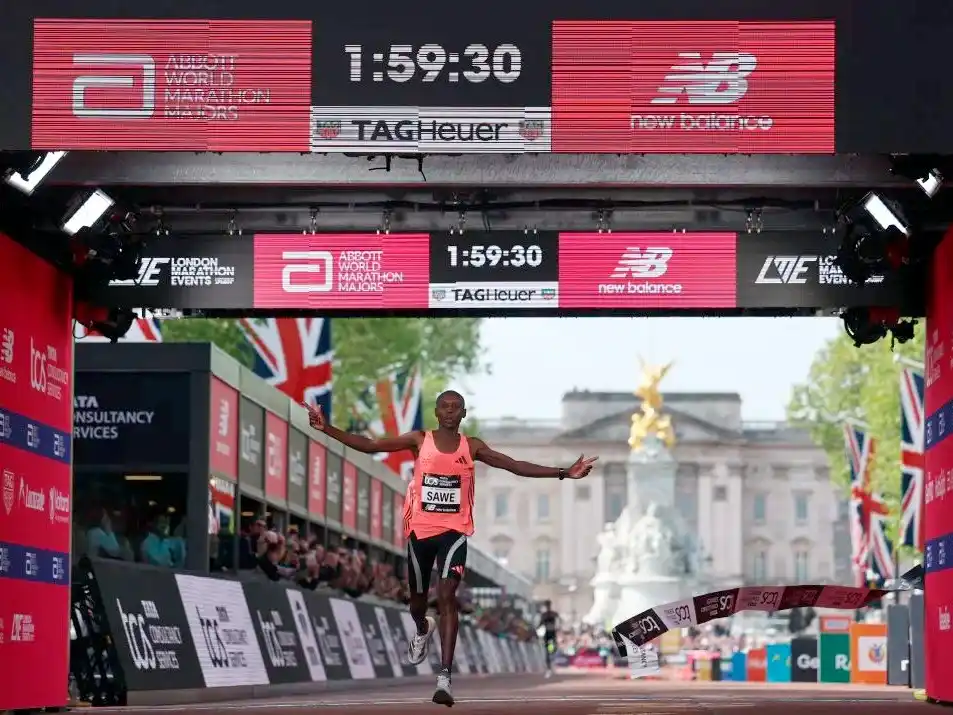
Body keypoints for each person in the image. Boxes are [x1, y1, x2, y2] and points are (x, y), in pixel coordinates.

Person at [307, 390, 596, 706]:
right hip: (420, 532)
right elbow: (372, 446)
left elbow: (513, 465)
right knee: (417, 602)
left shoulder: (471, 447)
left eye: (455, 407)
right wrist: (327, 428)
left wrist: (563, 473)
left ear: (463, 414)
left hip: (454, 533)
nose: (449, 411)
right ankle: (422, 627)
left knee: (447, 596)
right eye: (444, 407)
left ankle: (444, 676)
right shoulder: (420, 440)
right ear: (436, 412)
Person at [539, 600, 559, 678]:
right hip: (547, 633)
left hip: (552, 633)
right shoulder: (544, 615)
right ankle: (549, 668)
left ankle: (551, 663)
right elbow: (540, 624)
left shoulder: (554, 614)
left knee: (552, 649)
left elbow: (558, 622)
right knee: (548, 650)